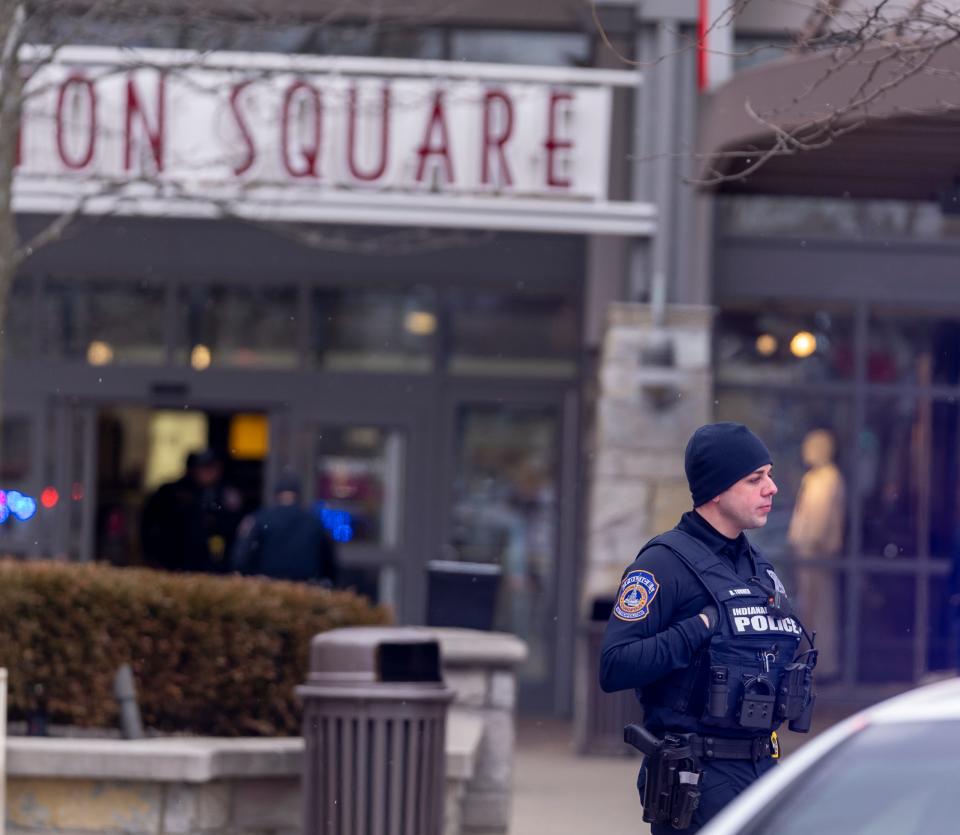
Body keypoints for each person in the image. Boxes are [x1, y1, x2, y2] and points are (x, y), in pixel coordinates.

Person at [599, 422, 817, 834]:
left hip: (762, 772)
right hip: (695, 782)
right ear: (717, 490)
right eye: (756, 479)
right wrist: (698, 628)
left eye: (768, 475)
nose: (771, 488)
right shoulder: (663, 564)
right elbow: (614, 665)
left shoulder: (759, 568)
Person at [140, 449, 243, 573]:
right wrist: (152, 556)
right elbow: (149, 525)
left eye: (214, 467)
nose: (210, 472)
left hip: (213, 564)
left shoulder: (226, 494)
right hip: (175, 560)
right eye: (204, 467)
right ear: (193, 469)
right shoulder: (171, 492)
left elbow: (235, 527)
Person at [232, 472, 339, 586]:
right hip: (305, 590)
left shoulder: (259, 519)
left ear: (277, 495)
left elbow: (240, 559)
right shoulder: (314, 522)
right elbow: (329, 563)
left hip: (268, 589)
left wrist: (252, 577)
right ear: (298, 495)